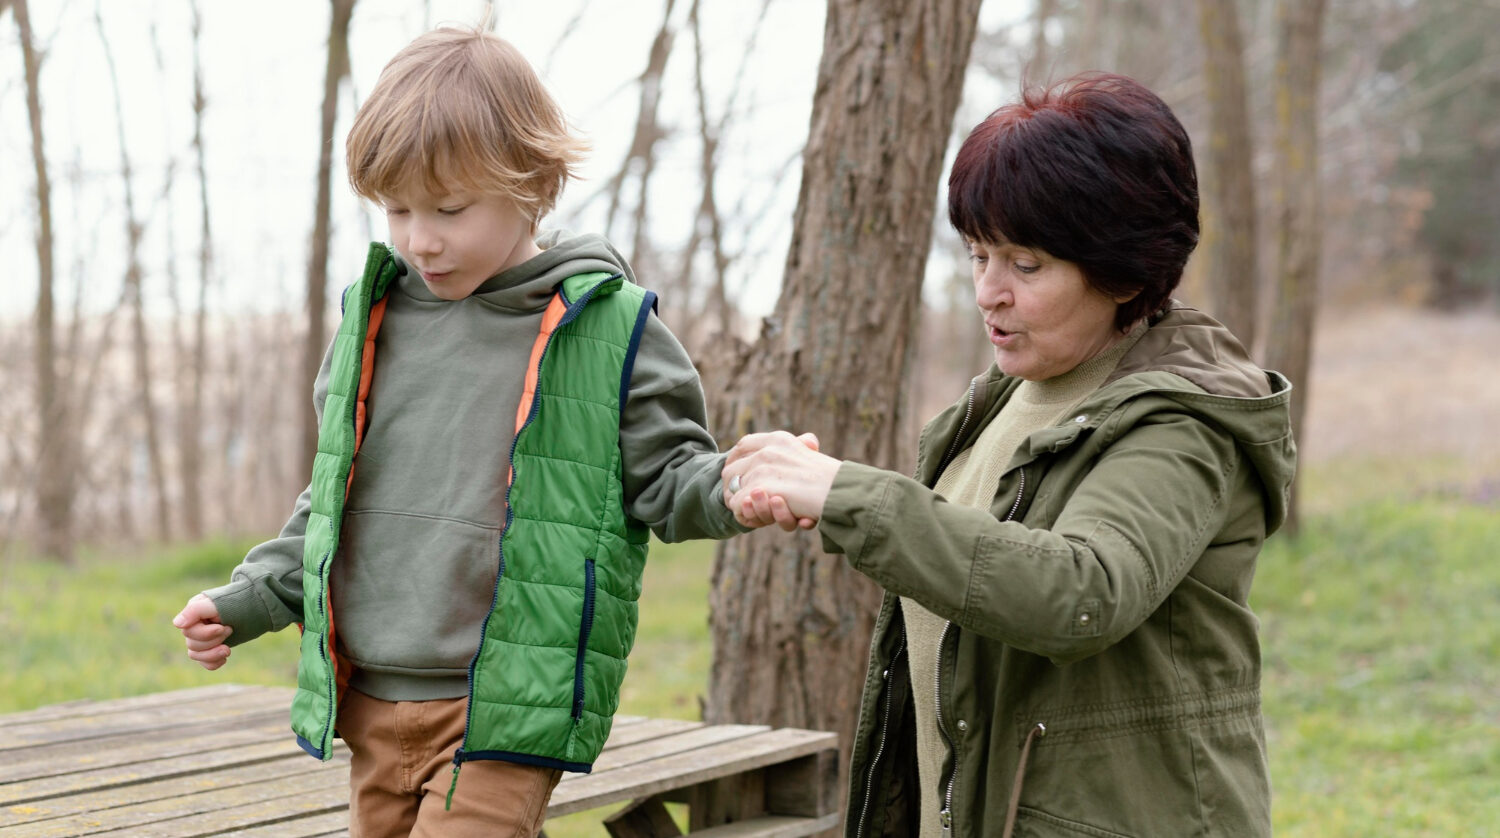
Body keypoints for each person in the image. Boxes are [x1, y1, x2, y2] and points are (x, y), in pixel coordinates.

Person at [172, 26, 743, 838]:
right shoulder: (371, 323)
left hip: (508, 701)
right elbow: (329, 502)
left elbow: (668, 480)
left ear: (534, 184)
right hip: (372, 702)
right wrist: (251, 598)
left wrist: (735, 487)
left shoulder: (608, 327)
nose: (419, 239)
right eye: (397, 209)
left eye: (448, 209)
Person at [721, 73, 1295, 838]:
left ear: (1123, 271)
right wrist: (815, 490)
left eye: (1026, 265)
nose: (988, 291)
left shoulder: (1183, 419)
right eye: (977, 254)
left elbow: (1080, 590)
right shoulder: (1001, 398)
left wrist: (853, 496)